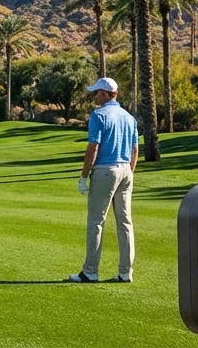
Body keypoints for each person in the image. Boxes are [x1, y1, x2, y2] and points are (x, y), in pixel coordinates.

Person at [69, 77, 138, 284]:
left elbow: (93, 147)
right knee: (125, 222)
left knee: (96, 222)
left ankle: (90, 271)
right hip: (126, 170)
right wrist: (130, 172)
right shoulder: (129, 117)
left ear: (107, 94)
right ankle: (125, 272)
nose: (95, 96)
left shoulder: (98, 115)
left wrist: (84, 176)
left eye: (97, 92)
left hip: (105, 170)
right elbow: (135, 149)